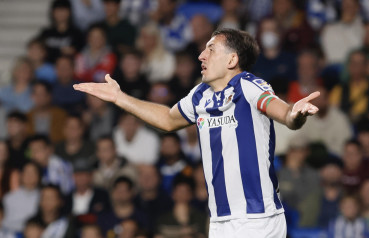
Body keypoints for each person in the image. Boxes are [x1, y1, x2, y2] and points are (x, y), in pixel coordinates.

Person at [74, 28, 320, 238]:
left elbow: (282, 112)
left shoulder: (248, 86)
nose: (202, 55)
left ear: (231, 60)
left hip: (258, 218)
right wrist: (120, 98)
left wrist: (294, 114)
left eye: (211, 49)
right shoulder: (199, 95)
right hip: (219, 220)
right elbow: (167, 120)